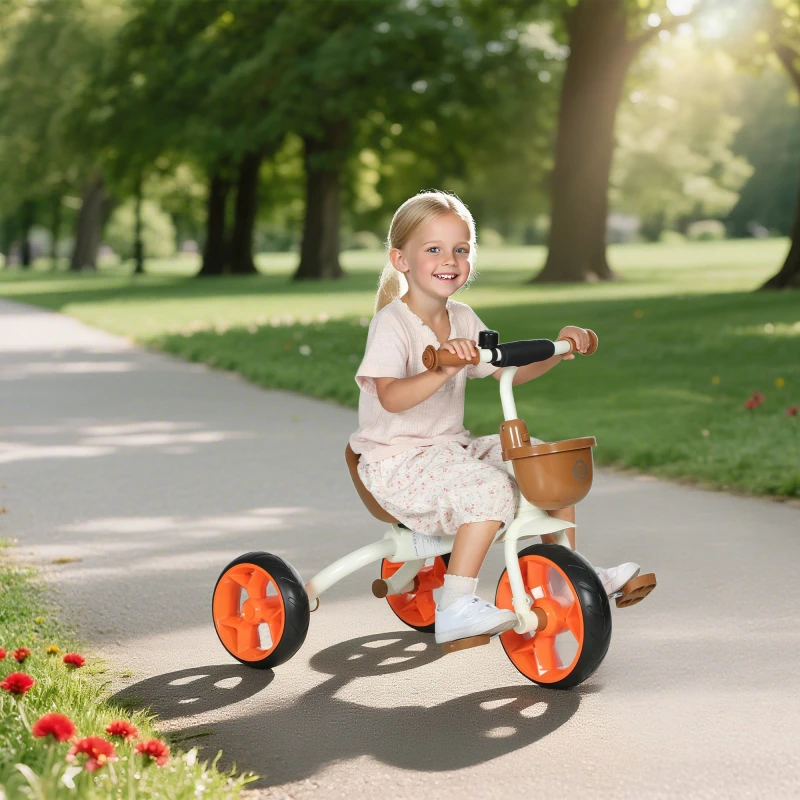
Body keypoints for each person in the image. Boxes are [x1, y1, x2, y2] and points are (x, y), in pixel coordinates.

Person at [349, 190, 640, 647]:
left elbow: (508, 370)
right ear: (400, 259)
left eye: (461, 249)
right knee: (491, 489)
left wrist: (559, 349)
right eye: (434, 249)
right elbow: (391, 397)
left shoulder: (462, 317)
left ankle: (572, 573)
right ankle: (455, 605)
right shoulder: (393, 324)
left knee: (544, 463)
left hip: (449, 451)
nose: (450, 260)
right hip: (396, 463)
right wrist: (441, 368)